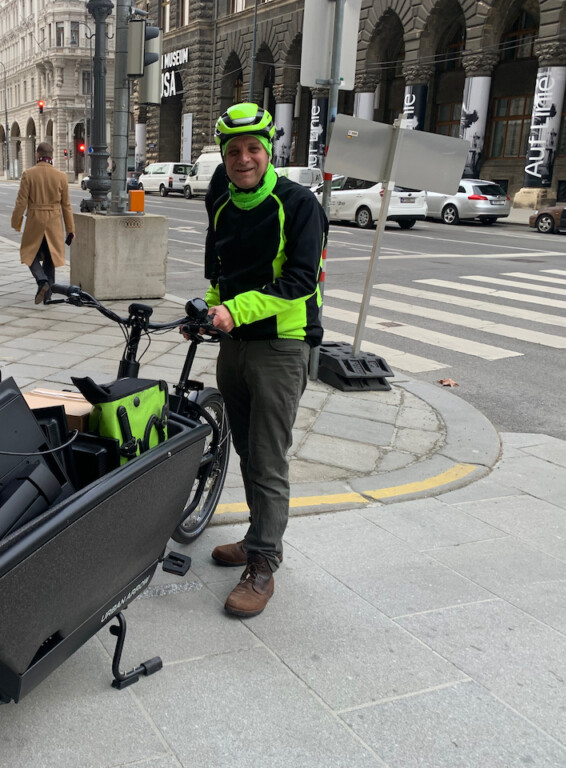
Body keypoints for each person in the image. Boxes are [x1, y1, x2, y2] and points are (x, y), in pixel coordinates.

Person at [202, 103, 327, 618]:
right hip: (235, 347)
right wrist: (210, 304)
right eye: (234, 151)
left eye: (253, 149)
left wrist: (235, 309)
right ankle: (257, 539)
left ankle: (264, 564)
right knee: (248, 453)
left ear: (268, 150)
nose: (244, 159)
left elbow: (300, 280)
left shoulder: (298, 203)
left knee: (269, 457)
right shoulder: (223, 200)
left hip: (281, 345)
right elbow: (222, 269)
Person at [11, 142, 76, 304]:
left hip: (35, 220)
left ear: (37, 155)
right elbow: (66, 205)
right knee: (49, 257)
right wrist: (70, 230)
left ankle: (42, 281)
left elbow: (21, 202)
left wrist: (16, 222)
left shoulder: (29, 174)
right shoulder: (61, 176)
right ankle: (47, 296)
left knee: (28, 253)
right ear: (51, 156)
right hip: (54, 221)